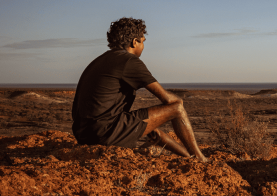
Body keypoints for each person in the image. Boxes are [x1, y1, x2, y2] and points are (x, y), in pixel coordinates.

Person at [72, 17, 208, 162]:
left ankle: (189, 157)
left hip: (84, 134)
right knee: (177, 108)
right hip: (105, 133)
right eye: (142, 42)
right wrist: (180, 103)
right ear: (134, 42)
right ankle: (200, 159)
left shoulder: (99, 60)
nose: (143, 46)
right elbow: (168, 99)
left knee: (154, 131)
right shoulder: (129, 61)